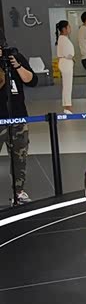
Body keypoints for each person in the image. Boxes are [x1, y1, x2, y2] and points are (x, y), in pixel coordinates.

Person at [0, 36, 38, 205]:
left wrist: (17, 66)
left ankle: (19, 191)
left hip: (17, 116)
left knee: (19, 157)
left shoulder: (15, 57)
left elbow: (32, 81)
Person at [55, 20, 74, 114]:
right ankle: (67, 106)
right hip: (66, 62)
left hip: (66, 62)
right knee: (67, 85)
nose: (70, 28)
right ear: (64, 29)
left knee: (67, 85)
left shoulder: (63, 38)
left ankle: (67, 105)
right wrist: (71, 57)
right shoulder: (63, 39)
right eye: (68, 27)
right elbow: (68, 53)